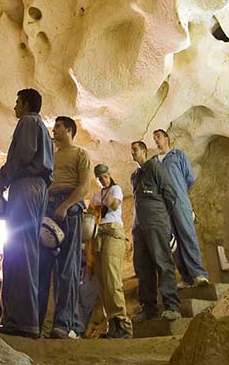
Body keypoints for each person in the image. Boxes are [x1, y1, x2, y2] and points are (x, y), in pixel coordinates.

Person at [0, 88, 54, 338]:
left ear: (26, 104)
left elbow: (22, 156)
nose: (15, 107)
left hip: (25, 185)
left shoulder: (28, 122)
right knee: (19, 250)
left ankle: (24, 322)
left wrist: (1, 181)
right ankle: (15, 319)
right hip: (35, 188)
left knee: (21, 250)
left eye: (17, 102)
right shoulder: (42, 128)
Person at [37, 115, 93, 338]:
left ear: (69, 130)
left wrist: (66, 206)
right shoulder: (51, 155)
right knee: (43, 267)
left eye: (58, 126)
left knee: (67, 268)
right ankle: (37, 324)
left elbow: (84, 185)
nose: (54, 130)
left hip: (70, 209)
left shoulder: (81, 154)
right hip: (48, 207)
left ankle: (63, 324)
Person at [129, 141, 181, 323]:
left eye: (135, 149)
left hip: (156, 222)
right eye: (131, 150)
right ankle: (148, 307)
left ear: (144, 151)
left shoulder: (155, 167)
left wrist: (160, 217)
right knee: (143, 267)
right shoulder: (135, 176)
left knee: (162, 261)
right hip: (139, 226)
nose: (132, 152)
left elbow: (170, 194)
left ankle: (172, 305)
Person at [153, 129, 210, 286]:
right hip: (164, 206)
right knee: (173, 241)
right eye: (154, 138)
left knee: (187, 234)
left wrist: (179, 192)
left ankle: (198, 274)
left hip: (180, 201)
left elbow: (189, 178)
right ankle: (186, 277)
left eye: (158, 137)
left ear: (166, 138)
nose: (156, 140)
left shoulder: (178, 155)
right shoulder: (155, 162)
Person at [90, 163, 133, 338]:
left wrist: (105, 194)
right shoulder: (96, 195)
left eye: (105, 177)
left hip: (113, 233)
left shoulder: (116, 189)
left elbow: (114, 206)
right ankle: (112, 325)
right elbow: (90, 214)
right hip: (98, 235)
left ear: (109, 175)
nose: (102, 180)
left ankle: (123, 325)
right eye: (99, 178)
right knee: (102, 282)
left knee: (112, 279)